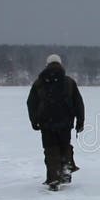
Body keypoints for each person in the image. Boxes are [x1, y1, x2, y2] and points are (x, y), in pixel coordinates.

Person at [27, 54, 85, 191]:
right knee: (64, 146)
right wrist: (80, 121)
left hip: (46, 123)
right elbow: (78, 103)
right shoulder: (69, 82)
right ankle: (66, 169)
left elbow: (31, 103)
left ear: (47, 64)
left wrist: (34, 120)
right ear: (60, 64)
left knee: (50, 149)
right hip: (65, 122)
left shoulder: (39, 82)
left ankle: (53, 179)